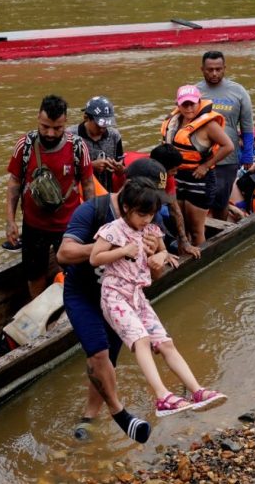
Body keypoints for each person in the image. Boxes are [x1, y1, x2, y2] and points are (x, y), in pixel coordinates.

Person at [57, 159, 177, 443]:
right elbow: (64, 253)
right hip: (84, 293)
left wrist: (158, 259)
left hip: (120, 297)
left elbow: (155, 271)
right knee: (97, 353)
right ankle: (116, 413)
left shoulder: (148, 216)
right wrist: (112, 247)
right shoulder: (93, 210)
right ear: (127, 191)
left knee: (107, 359)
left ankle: (92, 414)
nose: (149, 215)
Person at [90, 178, 227, 417]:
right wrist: (122, 251)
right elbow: (94, 258)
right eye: (142, 214)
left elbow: (164, 251)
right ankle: (162, 396)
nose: (146, 220)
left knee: (166, 343)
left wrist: (160, 257)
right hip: (115, 295)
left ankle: (197, 390)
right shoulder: (113, 230)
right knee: (141, 340)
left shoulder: (152, 230)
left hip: (138, 297)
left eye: (151, 215)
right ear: (126, 209)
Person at [6, 94, 94, 298]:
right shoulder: (25, 145)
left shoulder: (78, 147)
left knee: (76, 271)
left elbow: (88, 184)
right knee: (35, 274)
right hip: (34, 225)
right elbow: (14, 184)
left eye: (57, 128)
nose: (50, 133)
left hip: (71, 225)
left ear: (66, 122)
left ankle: (74, 306)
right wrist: (10, 221)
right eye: (45, 126)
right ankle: (38, 309)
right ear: (38, 117)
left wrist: (93, 221)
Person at [161, 84, 234, 245]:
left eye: (192, 103)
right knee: (180, 229)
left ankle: (199, 258)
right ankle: (181, 257)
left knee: (195, 230)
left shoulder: (208, 125)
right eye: (184, 104)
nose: (188, 108)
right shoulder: (174, 121)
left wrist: (206, 166)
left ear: (199, 102)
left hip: (199, 180)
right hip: (177, 177)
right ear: (177, 104)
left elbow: (228, 146)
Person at [196, 51, 254, 220]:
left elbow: (247, 126)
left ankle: (219, 229)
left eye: (218, 69)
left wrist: (248, 154)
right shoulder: (195, 92)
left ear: (224, 68)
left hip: (227, 157)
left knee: (221, 200)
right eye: (210, 69)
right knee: (200, 199)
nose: (214, 73)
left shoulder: (239, 91)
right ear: (202, 69)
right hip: (200, 157)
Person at [148, 143, 202, 259]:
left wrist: (184, 242)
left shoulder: (168, 178)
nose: (176, 173)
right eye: (174, 170)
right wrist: (162, 252)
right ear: (161, 170)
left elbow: (175, 210)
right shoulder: (138, 176)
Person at [71, 95, 124, 192]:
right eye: (99, 126)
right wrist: (91, 166)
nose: (102, 129)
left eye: (106, 126)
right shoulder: (71, 136)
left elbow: (122, 170)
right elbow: (64, 170)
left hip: (106, 192)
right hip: (80, 193)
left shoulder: (114, 136)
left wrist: (119, 168)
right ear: (86, 118)